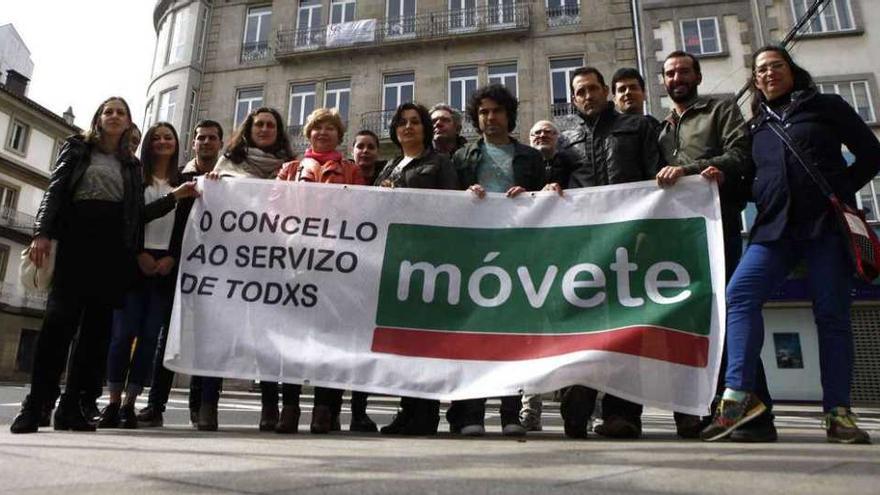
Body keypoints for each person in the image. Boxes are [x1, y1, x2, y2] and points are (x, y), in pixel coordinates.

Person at [702, 46, 879, 445]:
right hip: (772, 230)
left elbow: (872, 154)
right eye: (760, 70)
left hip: (826, 228)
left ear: (792, 71)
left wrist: (841, 189)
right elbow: (751, 183)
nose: (767, 74)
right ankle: (738, 397)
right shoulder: (756, 127)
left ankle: (838, 413)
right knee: (739, 295)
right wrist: (722, 179)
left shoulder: (826, 106)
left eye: (775, 66)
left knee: (831, 316)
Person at [10, 97, 197, 434]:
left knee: (95, 336)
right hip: (74, 245)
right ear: (98, 119)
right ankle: (35, 405)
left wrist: (174, 197)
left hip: (112, 253)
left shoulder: (131, 165)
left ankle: (71, 408)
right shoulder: (78, 149)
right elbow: (55, 192)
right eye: (108, 111)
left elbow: (138, 215)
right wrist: (42, 233)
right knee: (58, 328)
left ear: (128, 123)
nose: (114, 116)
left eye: (120, 112)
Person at [655, 50, 775, 441]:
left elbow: (741, 155)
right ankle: (720, 408)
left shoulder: (720, 110)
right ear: (663, 81)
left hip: (717, 224)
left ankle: (757, 412)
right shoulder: (662, 129)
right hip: (678, 236)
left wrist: (688, 171)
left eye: (684, 71)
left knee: (728, 316)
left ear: (699, 75)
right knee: (699, 323)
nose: (677, 78)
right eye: (670, 73)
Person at [559, 67, 662, 440]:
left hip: (630, 245)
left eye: (593, 89)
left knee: (624, 333)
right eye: (580, 91)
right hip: (583, 250)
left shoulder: (640, 128)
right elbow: (552, 184)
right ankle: (576, 412)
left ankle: (622, 416)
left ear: (606, 91)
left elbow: (657, 181)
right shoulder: (565, 140)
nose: (587, 96)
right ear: (573, 98)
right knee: (579, 329)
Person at [449, 84, 544, 437]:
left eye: (497, 111)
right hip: (473, 255)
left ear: (509, 115)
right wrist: (464, 195)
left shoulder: (531, 158)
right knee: (474, 335)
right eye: (484, 112)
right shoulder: (463, 157)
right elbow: (445, 203)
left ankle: (510, 414)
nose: (490, 117)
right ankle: (470, 412)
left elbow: (549, 201)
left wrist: (531, 196)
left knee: (512, 336)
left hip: (518, 253)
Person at [277, 108, 378, 434]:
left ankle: (325, 409)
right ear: (308, 134)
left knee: (331, 338)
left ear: (339, 135)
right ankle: (289, 407)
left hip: (336, 265)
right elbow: (269, 207)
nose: (323, 132)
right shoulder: (290, 170)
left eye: (330, 128)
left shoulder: (350, 171)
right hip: (295, 263)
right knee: (291, 339)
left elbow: (361, 212)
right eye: (317, 127)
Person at [208, 107, 299, 433]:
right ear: (248, 128)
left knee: (282, 338)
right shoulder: (229, 163)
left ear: (278, 131)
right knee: (254, 334)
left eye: (270, 124)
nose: (264, 128)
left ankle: (283, 406)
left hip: (280, 261)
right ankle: (265, 405)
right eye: (258, 124)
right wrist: (214, 186)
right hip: (241, 260)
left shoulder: (292, 167)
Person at [375, 102, 459, 435]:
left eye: (414, 122)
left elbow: (453, 206)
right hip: (396, 260)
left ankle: (425, 414)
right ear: (395, 131)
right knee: (403, 341)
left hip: (430, 260)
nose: (408, 127)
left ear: (425, 128)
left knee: (426, 341)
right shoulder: (389, 167)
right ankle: (407, 409)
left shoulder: (440, 163)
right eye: (401, 123)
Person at [137, 120, 225, 430]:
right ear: (193, 144)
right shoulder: (180, 178)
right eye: (200, 137)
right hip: (178, 268)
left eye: (212, 138)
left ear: (220, 143)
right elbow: (172, 224)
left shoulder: (229, 179)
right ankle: (155, 405)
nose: (205, 142)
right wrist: (172, 256)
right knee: (167, 335)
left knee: (211, 337)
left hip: (218, 270)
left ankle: (205, 407)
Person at [98, 122, 183, 429]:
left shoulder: (183, 180)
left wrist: (172, 257)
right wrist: (138, 253)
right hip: (134, 260)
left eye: (168, 137)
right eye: (156, 137)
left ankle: (131, 405)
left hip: (166, 266)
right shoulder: (134, 175)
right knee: (122, 336)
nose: (162, 141)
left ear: (176, 144)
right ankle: (113, 402)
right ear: (147, 144)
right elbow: (128, 219)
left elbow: (186, 226)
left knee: (149, 339)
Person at [529, 119, 575, 189]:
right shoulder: (523, 164)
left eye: (547, 132)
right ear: (531, 138)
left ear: (557, 137)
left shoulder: (571, 163)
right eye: (537, 132)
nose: (542, 135)